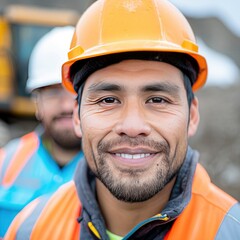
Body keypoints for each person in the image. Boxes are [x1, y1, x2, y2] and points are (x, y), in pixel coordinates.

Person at [5, 0, 240, 239]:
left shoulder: (231, 230)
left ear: (192, 115)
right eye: (108, 100)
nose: (133, 126)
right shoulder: (30, 229)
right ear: (77, 117)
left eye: (157, 100)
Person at [0, 26, 83, 237]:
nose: (66, 106)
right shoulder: (6, 163)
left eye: (74, 92)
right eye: (53, 93)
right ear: (37, 103)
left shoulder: (114, 169)